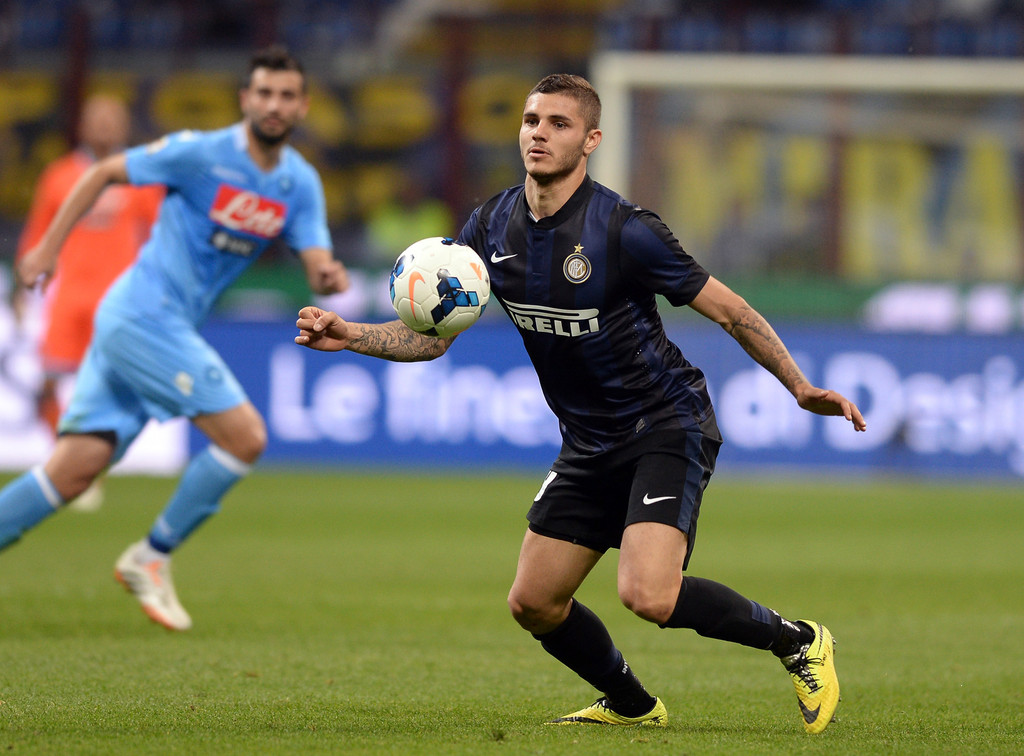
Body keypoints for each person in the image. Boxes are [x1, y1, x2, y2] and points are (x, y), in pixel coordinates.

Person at [294, 74, 865, 734]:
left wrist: (799, 386)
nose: (539, 133)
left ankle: (798, 641)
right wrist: (351, 334)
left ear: (591, 140)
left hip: (665, 423)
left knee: (647, 595)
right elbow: (433, 339)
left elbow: (731, 312)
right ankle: (632, 705)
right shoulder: (491, 225)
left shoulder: (626, 231)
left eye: (558, 123)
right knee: (534, 603)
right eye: (531, 120)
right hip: (589, 440)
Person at [1, 45, 348, 632]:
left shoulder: (300, 184)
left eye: (287, 95)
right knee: (246, 437)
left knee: (73, 471)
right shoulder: (199, 153)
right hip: (143, 315)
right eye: (264, 92)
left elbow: (316, 260)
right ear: (245, 98)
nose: (274, 104)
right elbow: (103, 172)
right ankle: (151, 556)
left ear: (303, 106)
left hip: (157, 324)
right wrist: (46, 249)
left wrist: (328, 275)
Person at [16, 94, 164, 511]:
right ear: (81, 125)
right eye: (96, 119)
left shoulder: (139, 175)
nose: (103, 127)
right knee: (47, 385)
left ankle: (90, 467)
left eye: (111, 119)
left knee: (112, 389)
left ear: (124, 126)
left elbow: (159, 236)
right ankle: (65, 462)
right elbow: (38, 233)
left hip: (118, 302)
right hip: (67, 300)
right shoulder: (59, 175)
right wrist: (23, 290)